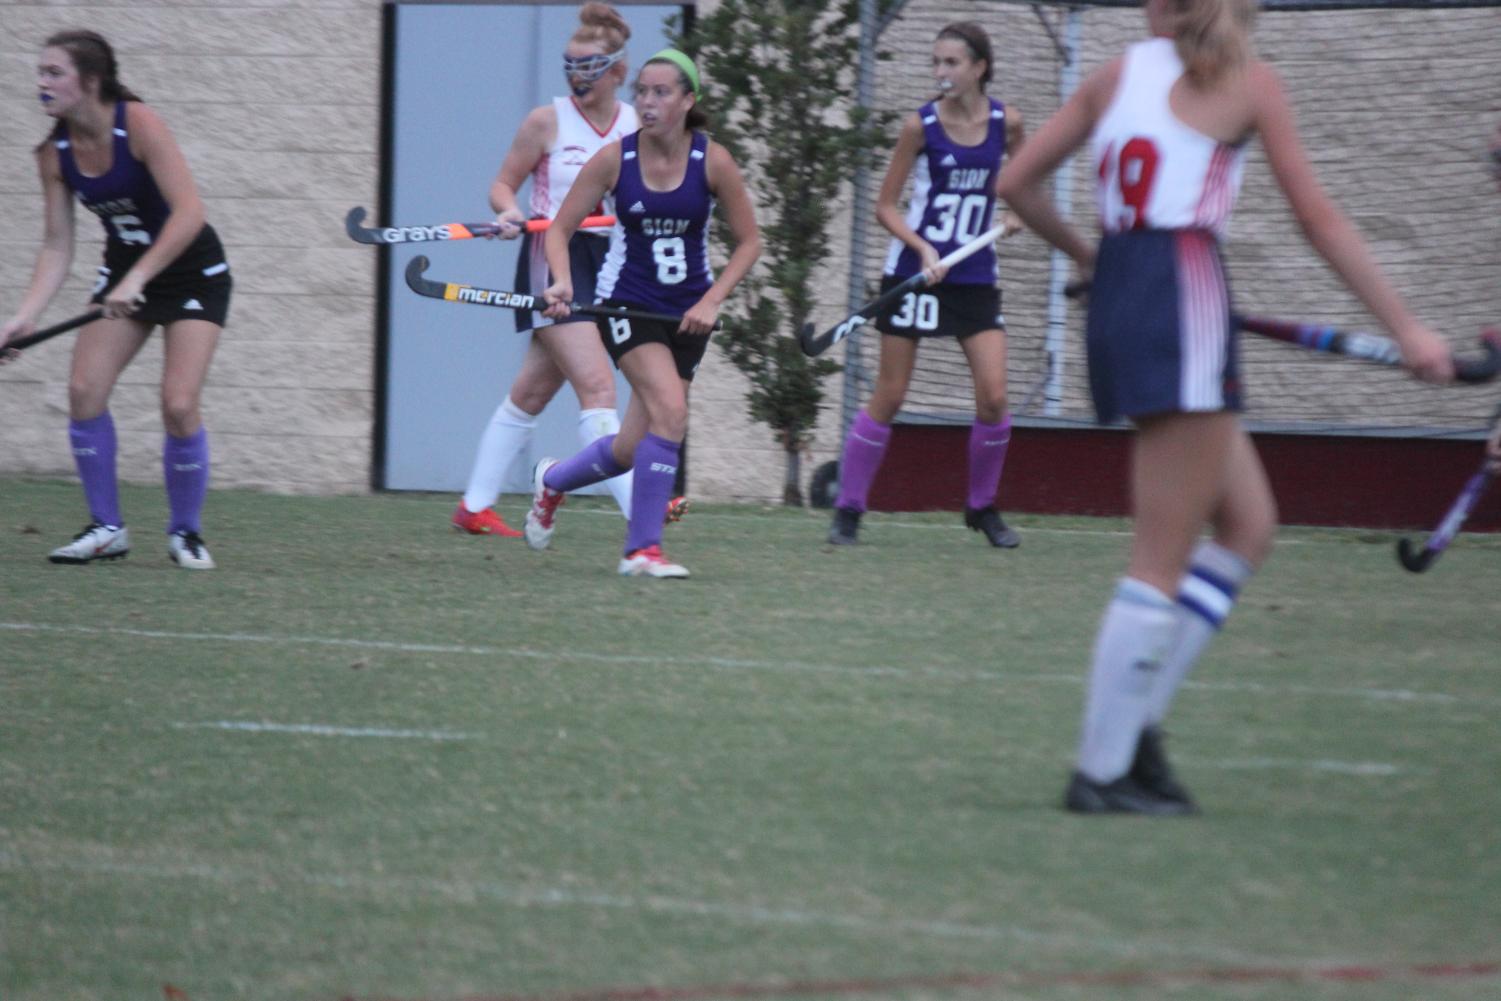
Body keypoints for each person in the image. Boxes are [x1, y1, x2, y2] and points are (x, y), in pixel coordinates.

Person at [994, 0, 1454, 814]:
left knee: (1247, 523)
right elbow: (1316, 220)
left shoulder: (1112, 76)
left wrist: (1091, 256)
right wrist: (1407, 327)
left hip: (1124, 293)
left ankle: (1134, 731)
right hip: (1184, 287)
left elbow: (1015, 183)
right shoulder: (1248, 83)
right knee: (1158, 555)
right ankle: (1102, 771)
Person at [1, 30, 233, 569]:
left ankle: (186, 533)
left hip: (193, 273)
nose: (41, 82)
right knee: (84, 389)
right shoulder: (53, 155)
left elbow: (189, 212)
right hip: (125, 274)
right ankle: (107, 528)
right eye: (40, 72)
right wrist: (24, 317)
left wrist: (140, 279)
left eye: (53, 73)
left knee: (178, 404)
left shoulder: (139, 124)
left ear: (90, 80)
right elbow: (57, 245)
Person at [525, 49, 760, 578]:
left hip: (689, 317)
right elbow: (559, 230)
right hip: (627, 305)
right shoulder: (615, 159)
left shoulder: (712, 160)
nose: (648, 102)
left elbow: (749, 243)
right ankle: (642, 550)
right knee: (671, 413)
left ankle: (553, 481)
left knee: (633, 447)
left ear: (688, 100)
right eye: (643, 92)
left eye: (661, 93)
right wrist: (561, 281)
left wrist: (711, 299)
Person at [827, 22, 1025, 549]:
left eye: (952, 63)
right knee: (890, 393)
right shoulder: (922, 126)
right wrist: (922, 248)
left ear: (980, 66)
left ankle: (982, 507)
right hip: (917, 275)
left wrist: (1017, 209)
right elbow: (885, 206)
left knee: (994, 395)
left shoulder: (1008, 122)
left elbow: (1027, 180)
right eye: (936, 62)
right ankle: (848, 509)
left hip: (975, 276)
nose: (941, 72)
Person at [450, 2, 641, 538]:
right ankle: (641, 516)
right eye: (571, 65)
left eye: (590, 67)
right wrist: (508, 213)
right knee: (599, 387)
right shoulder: (545, 121)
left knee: (531, 393)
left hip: (611, 260)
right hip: (552, 256)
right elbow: (502, 185)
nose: (578, 77)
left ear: (619, 72)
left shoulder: (634, 124)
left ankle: (474, 506)